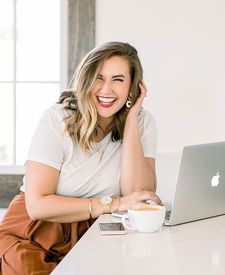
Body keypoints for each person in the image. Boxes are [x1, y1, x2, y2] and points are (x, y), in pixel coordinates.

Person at [0, 41, 161, 274]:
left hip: (96, 232)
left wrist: (131, 120)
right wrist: (113, 204)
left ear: (133, 87)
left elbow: (138, 195)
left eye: (118, 80)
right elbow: (37, 206)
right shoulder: (56, 119)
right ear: (85, 80)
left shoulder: (142, 122)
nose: (106, 90)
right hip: (35, 232)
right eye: (98, 78)